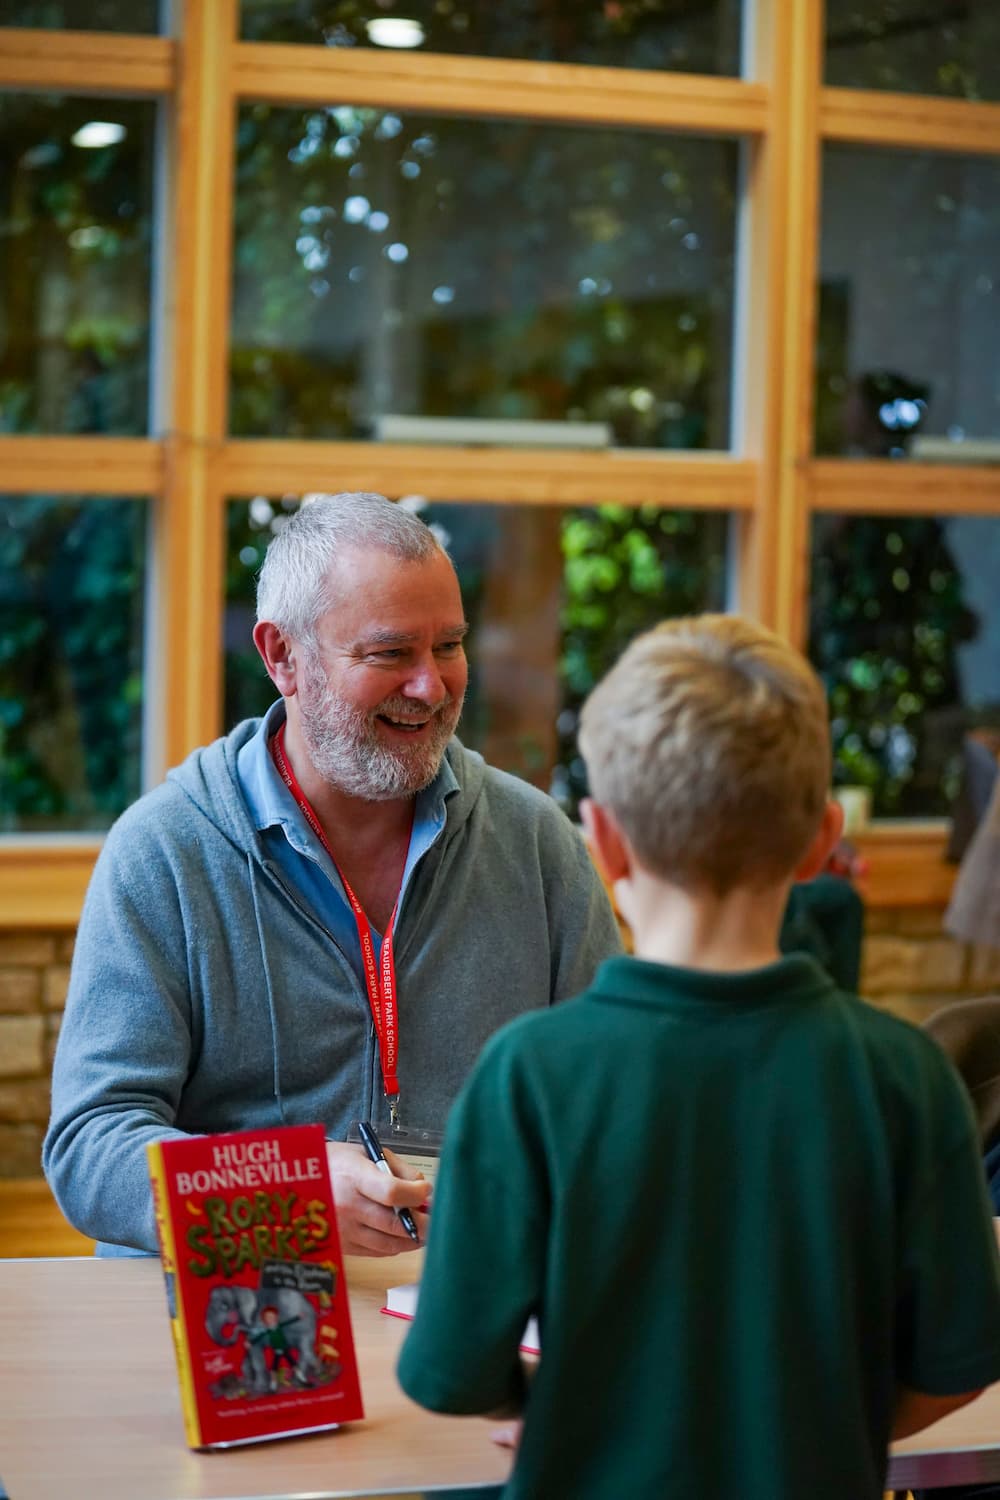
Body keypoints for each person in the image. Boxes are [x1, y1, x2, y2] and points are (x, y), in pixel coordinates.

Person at [397, 613, 1000, 1500]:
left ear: (601, 840)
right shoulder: (906, 1078)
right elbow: (959, 1362)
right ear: (820, 840)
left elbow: (448, 1372)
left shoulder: (530, 1074)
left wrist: (562, 1412)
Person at [43, 493, 621, 1258]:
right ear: (281, 656)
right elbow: (91, 1147)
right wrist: (284, 1197)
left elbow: (614, 1109)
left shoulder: (541, 846)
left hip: (467, 1325)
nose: (432, 685)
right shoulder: (164, 851)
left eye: (448, 645)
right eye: (390, 654)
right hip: (233, 1337)